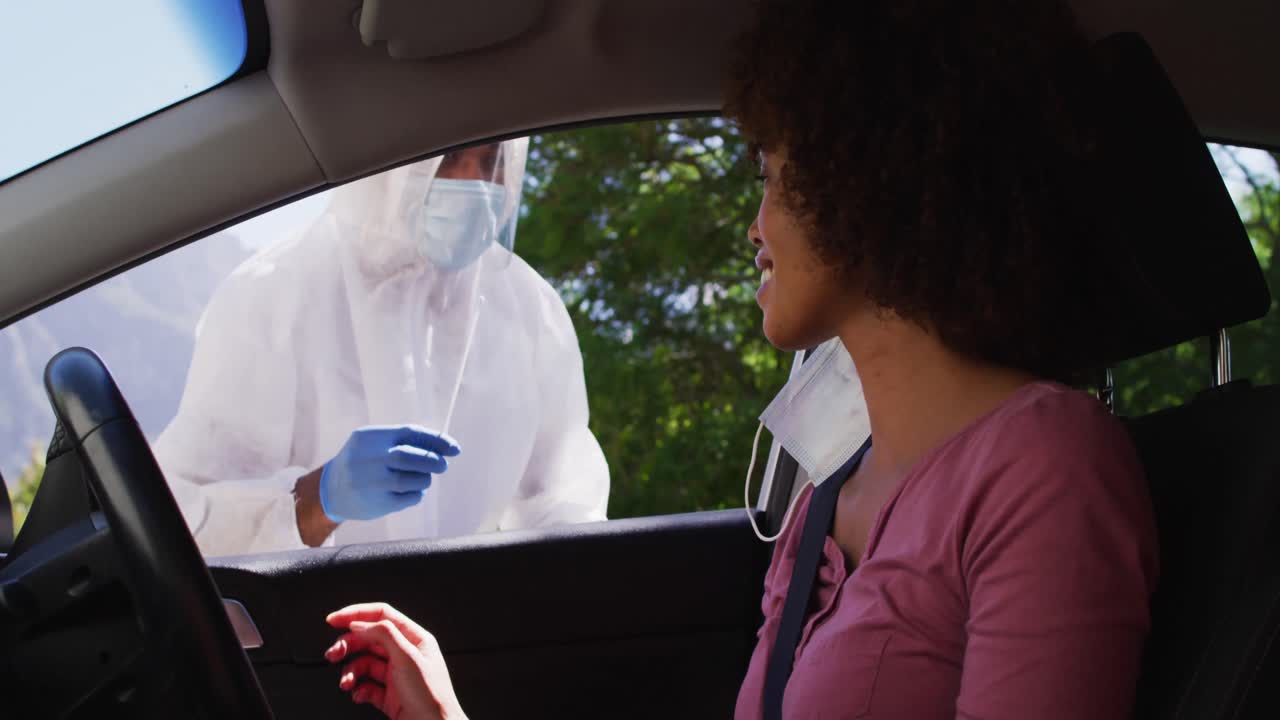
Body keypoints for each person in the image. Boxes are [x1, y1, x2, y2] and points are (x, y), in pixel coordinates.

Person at [319, 1, 1159, 718]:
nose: (755, 229)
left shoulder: (1045, 467)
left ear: (869, 174)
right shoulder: (823, 503)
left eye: (771, 177)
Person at [154, 139, 610, 556]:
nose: (473, 183)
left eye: (492, 162)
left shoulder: (528, 308)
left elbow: (565, 503)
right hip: (314, 626)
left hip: (458, 631)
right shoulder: (276, 293)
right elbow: (188, 526)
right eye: (451, 156)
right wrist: (319, 497)